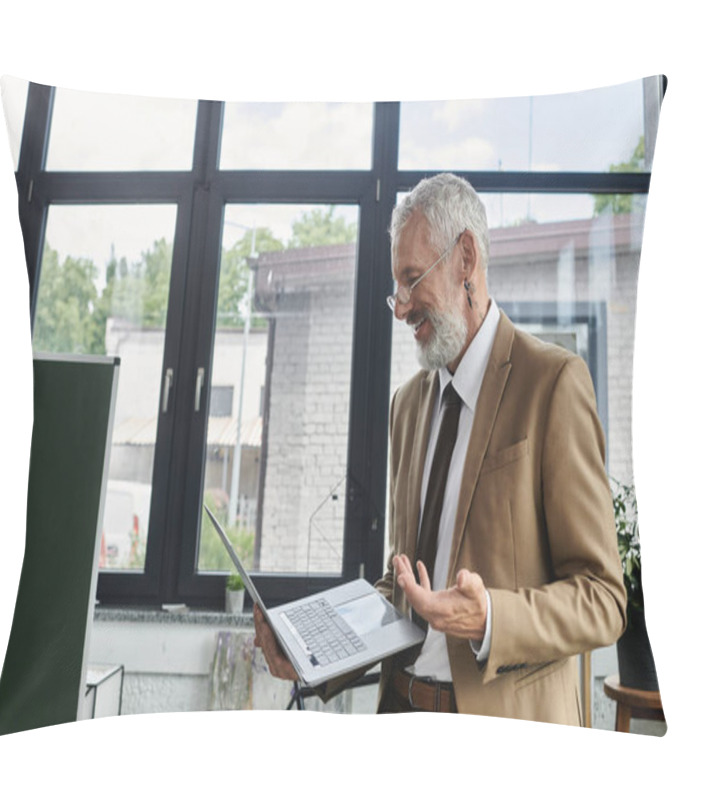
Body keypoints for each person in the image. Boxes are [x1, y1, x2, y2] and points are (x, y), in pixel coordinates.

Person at [254, 173, 626, 724]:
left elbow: (603, 598)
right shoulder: (407, 405)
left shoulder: (552, 383)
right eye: (395, 288)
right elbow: (407, 587)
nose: (401, 308)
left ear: (466, 258)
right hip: (402, 712)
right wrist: (312, 652)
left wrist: (490, 617)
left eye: (412, 280)